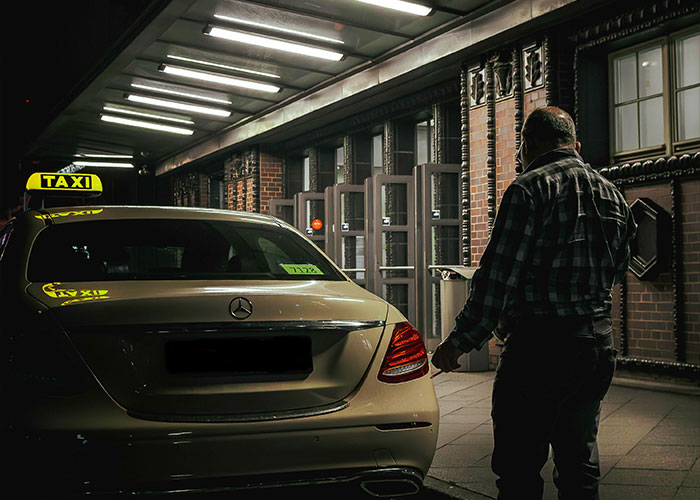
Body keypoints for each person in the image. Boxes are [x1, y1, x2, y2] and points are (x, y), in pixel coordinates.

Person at [431, 106, 637, 500]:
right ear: (574, 144)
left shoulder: (528, 189)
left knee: (519, 464)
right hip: (595, 344)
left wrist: (459, 341)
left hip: (539, 350)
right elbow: (617, 269)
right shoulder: (612, 194)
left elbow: (497, 278)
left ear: (528, 144)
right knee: (579, 463)